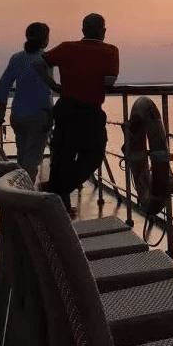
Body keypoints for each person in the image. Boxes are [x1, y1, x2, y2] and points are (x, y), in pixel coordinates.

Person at [35, 13, 119, 215]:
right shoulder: (110, 51)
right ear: (104, 31)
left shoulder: (66, 48)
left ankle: (57, 193)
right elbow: (109, 83)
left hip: (66, 110)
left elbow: (38, 63)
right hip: (91, 112)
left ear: (83, 30)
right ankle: (59, 192)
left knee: (63, 156)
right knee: (93, 156)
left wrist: (54, 85)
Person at [0, 23, 53, 180]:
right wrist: (50, 114)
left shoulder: (16, 58)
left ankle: (20, 189)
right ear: (45, 39)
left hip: (18, 114)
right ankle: (26, 195)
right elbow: (44, 90)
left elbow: (4, 85)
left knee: (22, 155)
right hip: (39, 115)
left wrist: (1, 110)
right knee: (32, 161)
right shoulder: (45, 59)